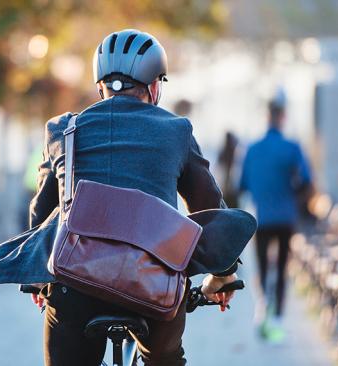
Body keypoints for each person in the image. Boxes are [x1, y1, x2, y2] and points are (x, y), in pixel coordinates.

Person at [28, 29, 240, 366]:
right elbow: (210, 210)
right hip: (154, 288)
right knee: (165, 359)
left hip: (76, 288)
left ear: (100, 87)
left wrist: (37, 277)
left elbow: (42, 217)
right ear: (155, 87)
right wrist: (223, 274)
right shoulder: (176, 130)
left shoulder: (62, 131)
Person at [239, 91, 312, 343]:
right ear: (283, 117)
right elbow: (306, 181)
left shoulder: (252, 150)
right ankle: (278, 317)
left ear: (266, 116)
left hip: (261, 217)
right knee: (281, 267)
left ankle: (262, 309)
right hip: (286, 216)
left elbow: (243, 184)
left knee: (260, 265)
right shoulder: (293, 148)